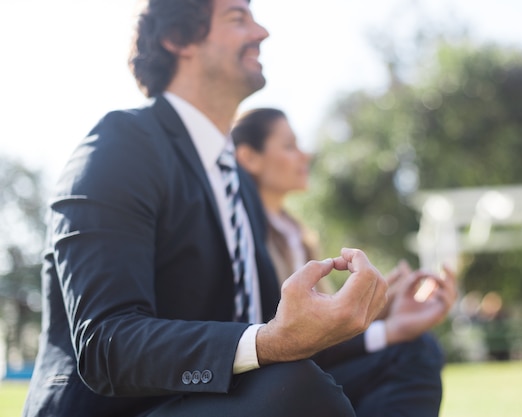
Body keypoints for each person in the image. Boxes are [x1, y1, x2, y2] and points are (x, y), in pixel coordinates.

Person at [20, 1, 449, 416]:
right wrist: (269, 342)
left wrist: (382, 325)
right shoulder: (120, 146)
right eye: (237, 18)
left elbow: (270, 328)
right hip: (129, 408)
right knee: (292, 387)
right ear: (178, 38)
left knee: (411, 352)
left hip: (225, 398)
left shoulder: (238, 182)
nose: (261, 32)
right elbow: (105, 345)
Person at [232, 107, 458, 415]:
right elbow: (289, 335)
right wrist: (389, 329)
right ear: (249, 158)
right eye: (289, 146)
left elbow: (322, 333)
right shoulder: (240, 235)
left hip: (311, 371)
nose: (305, 155)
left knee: (420, 347)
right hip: (276, 383)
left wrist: (378, 306)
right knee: (415, 351)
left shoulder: (297, 233)